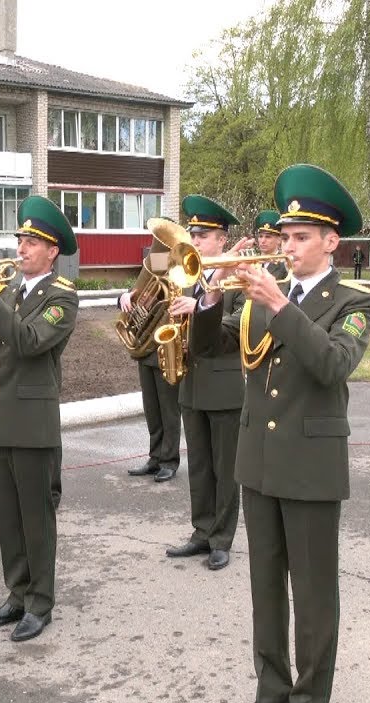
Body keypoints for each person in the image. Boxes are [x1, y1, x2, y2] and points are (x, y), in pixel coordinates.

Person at [192, 164, 370, 703]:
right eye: (286, 237)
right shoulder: (258, 296)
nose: (288, 247)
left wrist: (279, 303)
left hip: (312, 464)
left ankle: (309, 701)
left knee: (315, 595)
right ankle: (271, 691)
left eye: (301, 238)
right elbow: (215, 347)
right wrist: (206, 302)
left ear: (330, 242)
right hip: (260, 460)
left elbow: (333, 364)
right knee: (266, 586)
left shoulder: (353, 300)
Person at [0, 196, 78, 642]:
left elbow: (27, 341)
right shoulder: (10, 291)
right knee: (8, 515)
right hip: (1, 418)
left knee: (36, 517)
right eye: (21, 239)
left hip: (32, 422)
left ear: (52, 252)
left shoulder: (62, 299)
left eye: (32, 241)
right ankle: (17, 593)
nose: (22, 247)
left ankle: (40, 603)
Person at [163, 195, 245, 571]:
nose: (195, 240)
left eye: (204, 235)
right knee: (198, 465)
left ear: (222, 240)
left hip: (225, 385)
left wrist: (202, 305)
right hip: (192, 384)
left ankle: (222, 539)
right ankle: (201, 531)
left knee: (225, 468)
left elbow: (241, 328)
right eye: (193, 233)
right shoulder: (186, 274)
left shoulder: (240, 276)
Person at [119, 235, 182, 483]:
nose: (163, 248)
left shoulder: (184, 268)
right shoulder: (156, 261)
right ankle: (155, 457)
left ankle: (169, 460)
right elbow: (139, 287)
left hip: (167, 345)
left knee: (169, 409)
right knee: (152, 409)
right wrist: (125, 297)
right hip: (146, 346)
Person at [253, 209, 288, 280]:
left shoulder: (284, 266)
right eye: (260, 236)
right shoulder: (252, 264)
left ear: (279, 240)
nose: (263, 241)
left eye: (268, 237)